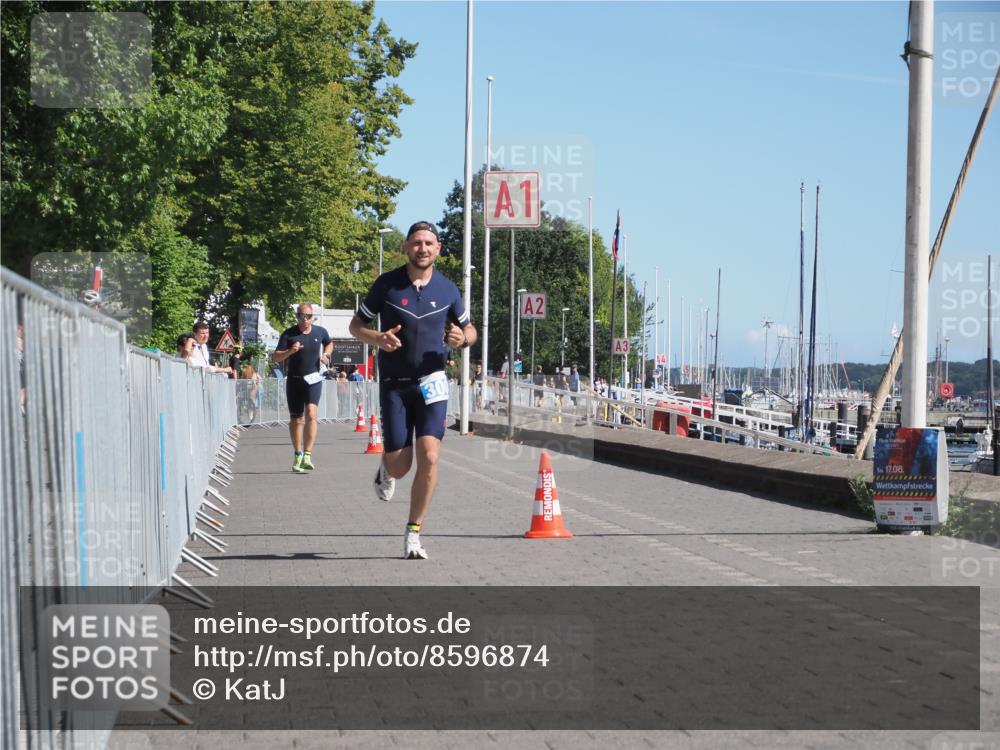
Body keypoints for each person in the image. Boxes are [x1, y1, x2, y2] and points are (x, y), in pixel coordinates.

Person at [349, 220, 477, 560]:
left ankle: (413, 532)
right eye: (417, 243)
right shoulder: (387, 285)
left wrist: (463, 339)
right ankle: (386, 468)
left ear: (438, 250)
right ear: (406, 247)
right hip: (395, 386)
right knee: (401, 466)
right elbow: (356, 326)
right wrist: (377, 338)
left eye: (429, 244)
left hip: (432, 383)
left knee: (431, 457)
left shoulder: (449, 290)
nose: (423, 248)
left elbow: (471, 330)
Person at [272, 303, 332, 473]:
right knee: (296, 419)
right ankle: (297, 453)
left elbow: (329, 343)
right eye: (301, 316)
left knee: (312, 414)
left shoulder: (320, 332)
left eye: (308, 316)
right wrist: (290, 351)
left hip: (313, 380)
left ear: (312, 317)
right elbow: (275, 357)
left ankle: (307, 454)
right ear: (297, 316)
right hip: (294, 380)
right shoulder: (289, 334)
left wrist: (326, 354)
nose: (304, 320)